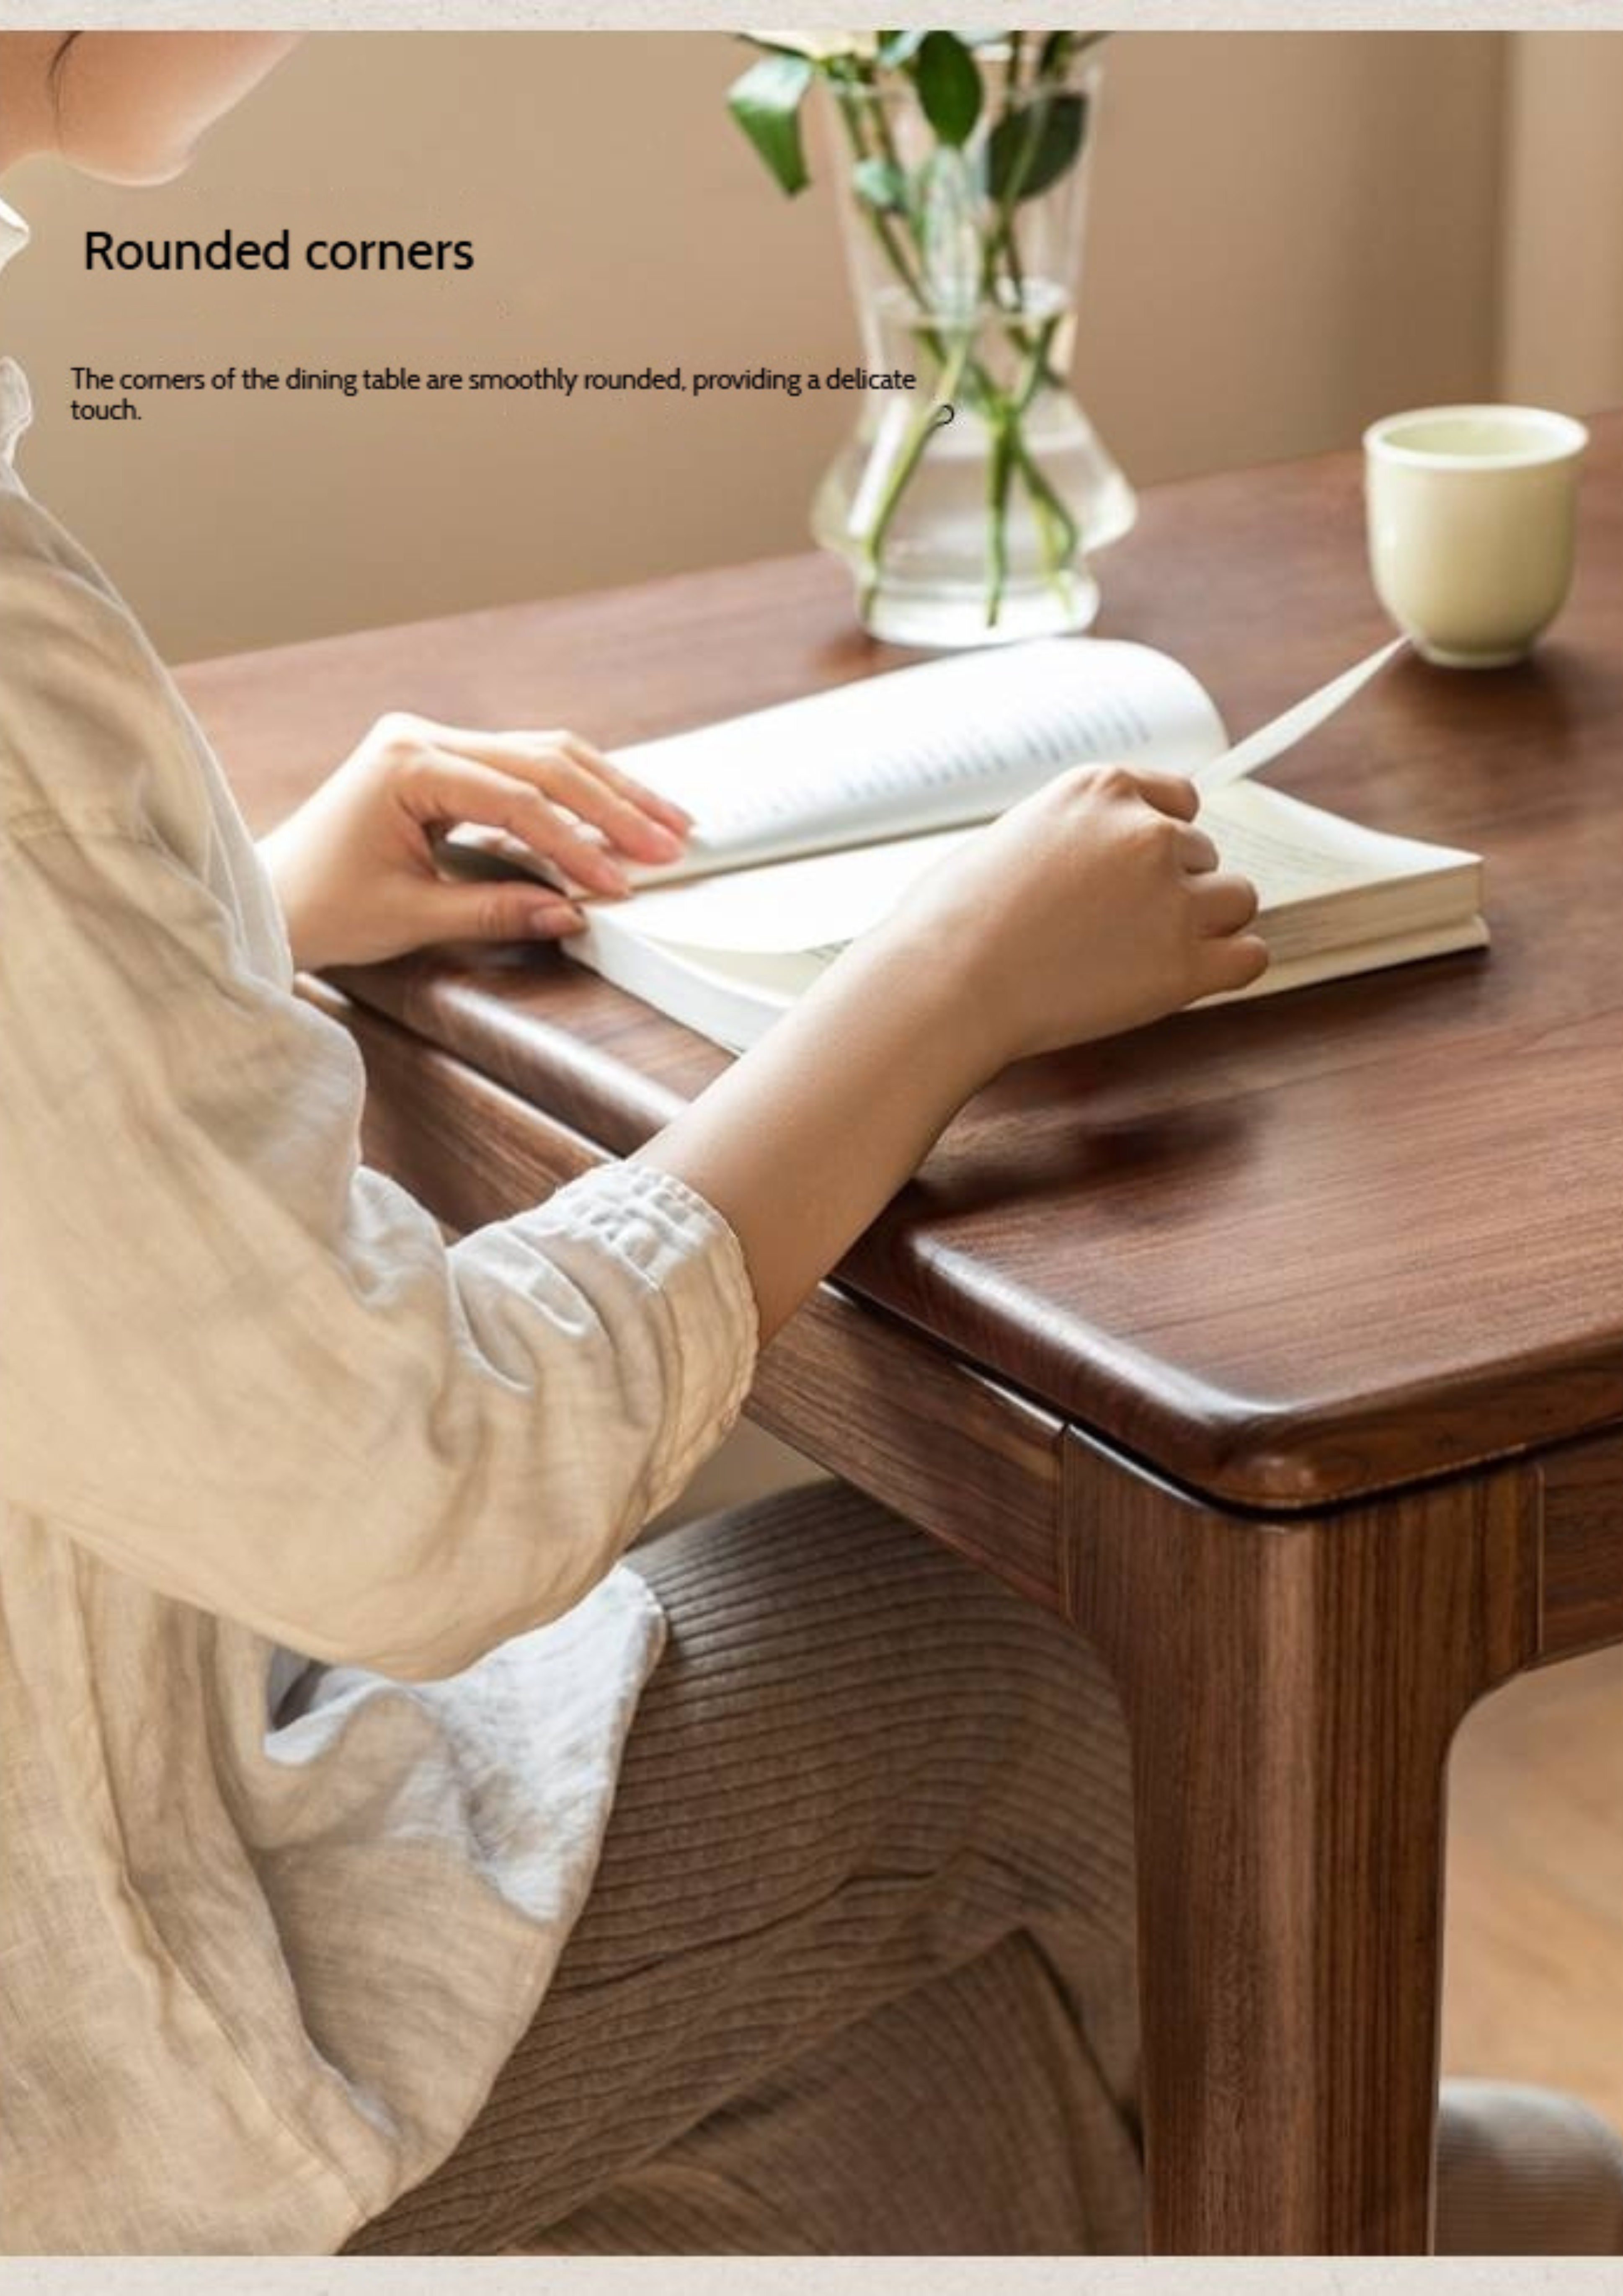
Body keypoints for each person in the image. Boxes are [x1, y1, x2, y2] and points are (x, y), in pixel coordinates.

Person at [1, 31, 1619, 2260]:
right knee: (1057, 1670)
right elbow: (411, 1490)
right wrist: (945, 983)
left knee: (955, 2098)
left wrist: (206, 925)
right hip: (96, 2083)